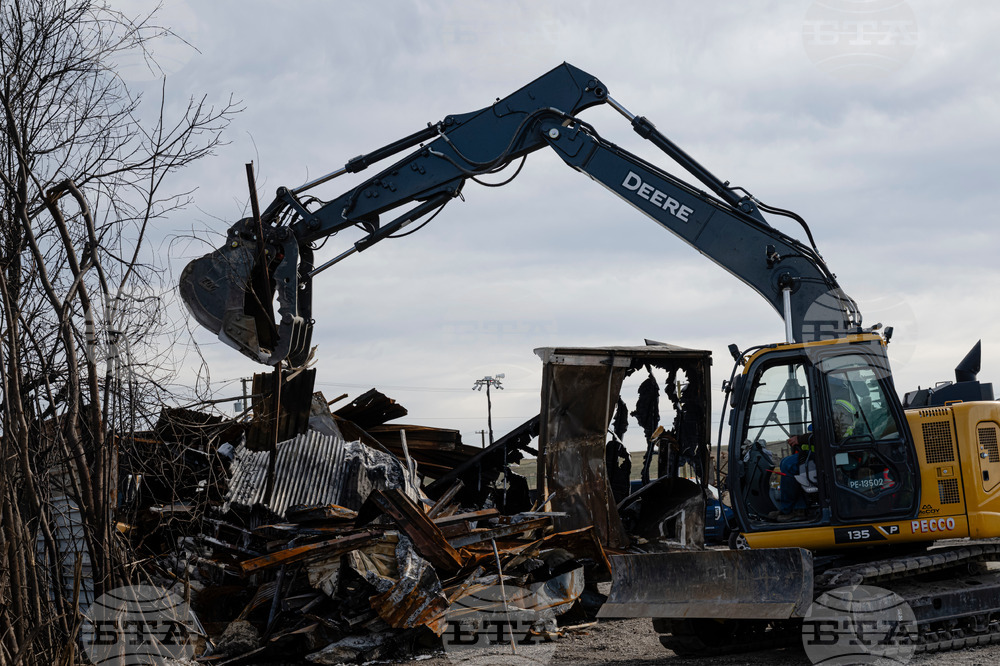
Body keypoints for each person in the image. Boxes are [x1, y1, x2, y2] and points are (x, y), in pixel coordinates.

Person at [769, 396, 858, 522]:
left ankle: (792, 510)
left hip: (833, 454)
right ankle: (796, 508)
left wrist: (800, 439)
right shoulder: (840, 405)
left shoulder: (838, 408)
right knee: (786, 462)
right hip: (831, 452)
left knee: (789, 465)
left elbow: (830, 434)